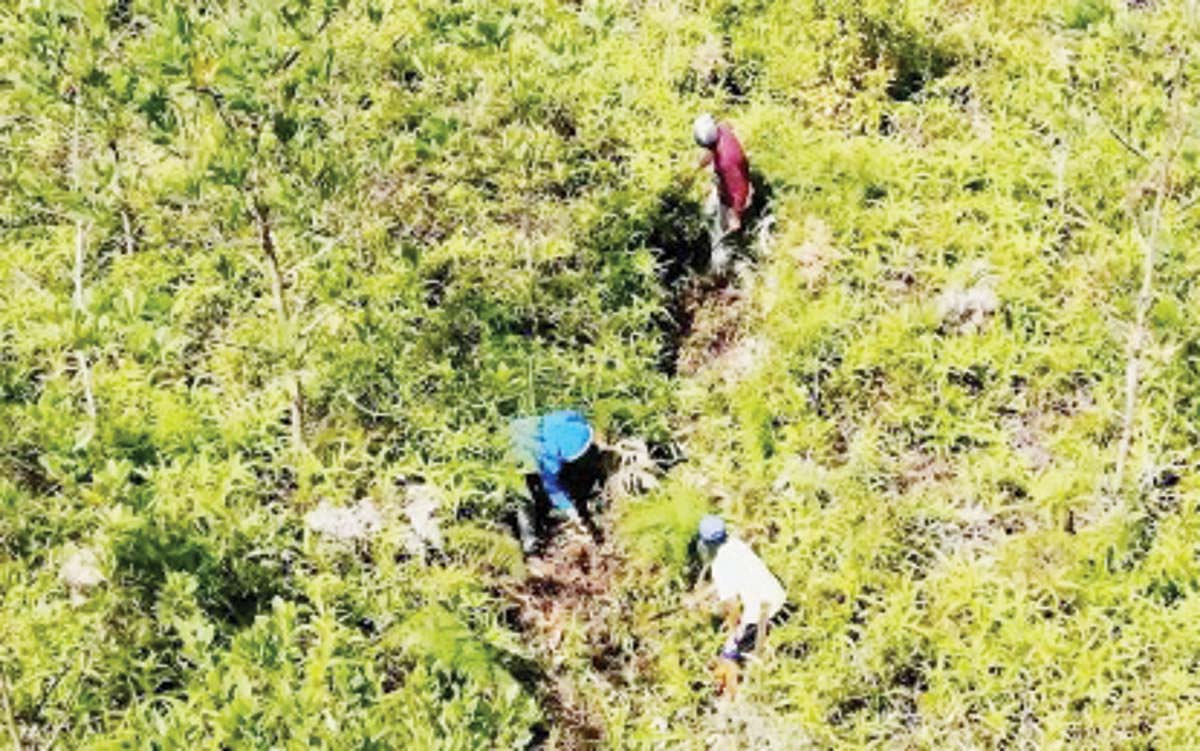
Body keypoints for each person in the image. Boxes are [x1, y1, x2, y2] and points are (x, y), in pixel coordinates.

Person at [507, 410, 604, 553]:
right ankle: (529, 541)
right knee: (523, 496)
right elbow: (553, 488)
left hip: (522, 425)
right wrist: (571, 511)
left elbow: (577, 415)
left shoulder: (564, 419)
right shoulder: (548, 458)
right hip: (515, 453)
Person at [696, 515, 786, 665]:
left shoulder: (720, 564)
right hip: (779, 598)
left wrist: (732, 638)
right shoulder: (736, 545)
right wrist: (697, 597)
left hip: (764, 615)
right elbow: (726, 581)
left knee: (727, 661)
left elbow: (734, 608)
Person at [693, 113, 753, 270]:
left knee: (724, 238)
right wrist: (698, 167)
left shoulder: (728, 161)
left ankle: (727, 268)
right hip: (722, 187)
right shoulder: (721, 129)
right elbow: (712, 151)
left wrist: (735, 214)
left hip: (731, 199)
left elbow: (739, 190)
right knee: (708, 212)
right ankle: (712, 236)